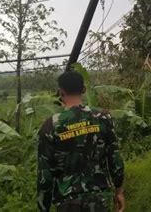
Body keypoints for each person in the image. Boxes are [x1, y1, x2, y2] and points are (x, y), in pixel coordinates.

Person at [37, 71, 125, 212]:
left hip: (67, 202)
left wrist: (43, 208)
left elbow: (45, 175)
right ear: (84, 89)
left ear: (61, 91)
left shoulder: (50, 126)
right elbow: (115, 159)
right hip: (100, 198)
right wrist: (119, 190)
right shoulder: (103, 118)